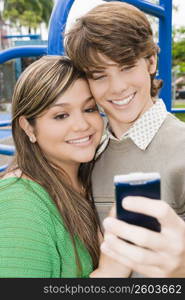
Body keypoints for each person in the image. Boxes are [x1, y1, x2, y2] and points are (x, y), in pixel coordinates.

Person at [65, 1, 185, 277]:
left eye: (127, 67)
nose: (117, 87)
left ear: (151, 62)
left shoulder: (180, 149)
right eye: (100, 75)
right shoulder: (86, 153)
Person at [0, 55, 130, 278]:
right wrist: (110, 273)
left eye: (89, 109)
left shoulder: (91, 178)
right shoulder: (20, 204)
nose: (82, 125)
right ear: (28, 127)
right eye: (61, 115)